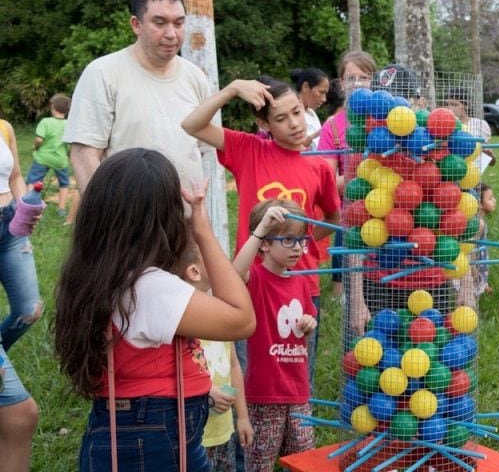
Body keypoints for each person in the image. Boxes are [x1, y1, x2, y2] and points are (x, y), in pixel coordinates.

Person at [54, 148, 256, 471]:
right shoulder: (150, 288)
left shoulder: (97, 276)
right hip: (155, 438)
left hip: (121, 429)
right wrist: (202, 232)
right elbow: (241, 318)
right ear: (161, 219)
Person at [181, 77, 340, 388]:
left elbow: (332, 218)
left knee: (297, 373)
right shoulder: (249, 149)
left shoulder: (318, 166)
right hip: (250, 283)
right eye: (281, 118)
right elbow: (192, 125)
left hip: (301, 283)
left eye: (297, 112)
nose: (294, 124)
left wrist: (298, 243)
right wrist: (232, 90)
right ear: (263, 123)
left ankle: (296, 432)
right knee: (249, 369)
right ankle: (249, 433)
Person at [64, 0, 210, 193]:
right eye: (159, 23)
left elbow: (205, 151)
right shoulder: (103, 73)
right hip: (125, 220)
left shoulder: (195, 76)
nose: (171, 34)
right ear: (136, 24)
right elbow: (84, 154)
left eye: (179, 23)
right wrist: (106, 216)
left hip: (184, 218)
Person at [231, 199, 317, 471]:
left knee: (304, 461)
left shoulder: (301, 281)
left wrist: (309, 322)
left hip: (298, 392)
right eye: (288, 240)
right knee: (260, 465)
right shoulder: (254, 278)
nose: (298, 248)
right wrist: (260, 230)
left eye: (301, 240)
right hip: (263, 395)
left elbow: (308, 320)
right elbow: (234, 275)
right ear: (265, 243)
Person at [179, 244, 254, 471]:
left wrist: (242, 416)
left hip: (223, 431)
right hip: (196, 435)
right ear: (194, 272)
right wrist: (206, 392)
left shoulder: (220, 314)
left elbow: (233, 364)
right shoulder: (180, 321)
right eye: (212, 258)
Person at [317, 51, 378, 300]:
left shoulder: (387, 119)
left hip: (388, 211)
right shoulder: (332, 126)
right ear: (341, 84)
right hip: (351, 212)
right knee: (354, 289)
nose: (357, 84)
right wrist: (363, 178)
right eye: (351, 78)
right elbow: (326, 180)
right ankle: (344, 292)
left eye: (364, 77)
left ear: (374, 81)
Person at [0, 117, 40, 472]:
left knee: (30, 309)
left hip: (10, 228)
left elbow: (14, 176)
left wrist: (22, 207)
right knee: (20, 415)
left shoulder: (4, 127)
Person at [26, 93, 72, 217]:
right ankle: (61, 209)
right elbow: (70, 145)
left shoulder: (45, 122)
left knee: (33, 180)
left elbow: (39, 140)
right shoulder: (69, 125)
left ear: (53, 108)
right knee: (64, 183)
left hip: (43, 158)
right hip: (60, 160)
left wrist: (35, 146)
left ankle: (29, 206)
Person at [290, 67, 330, 149]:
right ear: (305, 87)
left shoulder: (312, 113)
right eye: (321, 92)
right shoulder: (290, 112)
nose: (324, 99)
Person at [472, 183, 497, 298]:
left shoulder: (479, 221)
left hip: (478, 268)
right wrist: (475, 274)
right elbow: (471, 250)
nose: (494, 201)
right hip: (472, 268)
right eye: (490, 198)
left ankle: (483, 286)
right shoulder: (478, 224)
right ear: (479, 204)